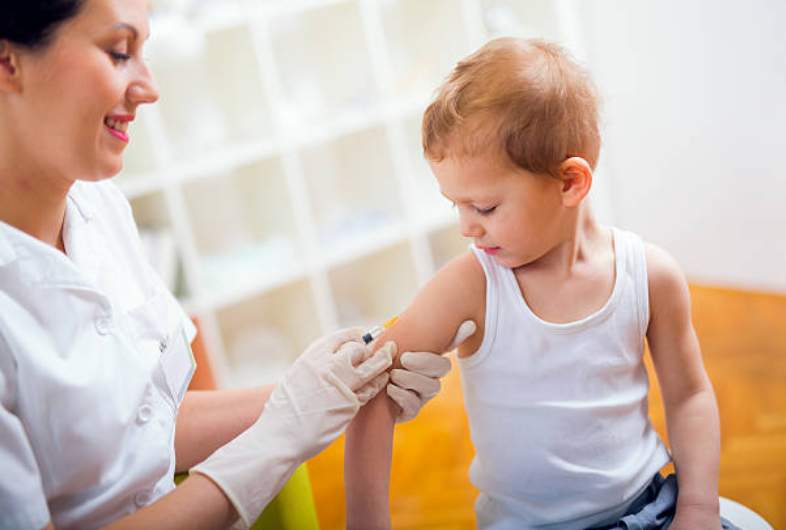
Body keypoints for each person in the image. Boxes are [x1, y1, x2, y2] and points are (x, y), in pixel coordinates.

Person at [0, 1, 476, 529]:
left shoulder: (99, 208)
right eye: (119, 53)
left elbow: (139, 430)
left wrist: (322, 395)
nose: (150, 87)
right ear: (8, 62)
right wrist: (277, 439)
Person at [344, 38, 740, 530]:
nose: (467, 227)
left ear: (570, 182)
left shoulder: (650, 275)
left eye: (484, 207)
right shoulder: (472, 285)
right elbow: (372, 390)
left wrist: (698, 507)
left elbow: (689, 395)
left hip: (646, 508)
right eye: (456, 205)